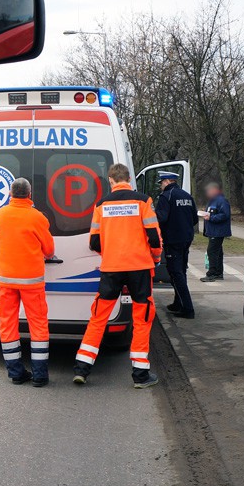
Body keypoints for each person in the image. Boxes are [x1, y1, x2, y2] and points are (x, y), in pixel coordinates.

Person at [74, 164, 162, 389]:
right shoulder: (143, 201)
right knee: (141, 319)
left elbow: (94, 242)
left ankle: (82, 370)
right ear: (129, 179)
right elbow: (154, 238)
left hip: (111, 268)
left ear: (110, 180)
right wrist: (155, 258)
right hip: (139, 268)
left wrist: (111, 253)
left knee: (98, 317)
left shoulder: (101, 205)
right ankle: (141, 376)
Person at [0, 178, 55, 387]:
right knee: (38, 326)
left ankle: (16, 373)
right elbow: (49, 251)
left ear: (10, 194)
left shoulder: (0, 215)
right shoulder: (38, 218)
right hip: (31, 282)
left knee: (7, 325)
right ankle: (40, 375)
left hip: (4, 280)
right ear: (29, 195)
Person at [155, 172, 198, 318]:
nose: (160, 186)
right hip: (186, 238)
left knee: (175, 273)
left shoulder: (166, 196)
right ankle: (178, 303)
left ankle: (187, 308)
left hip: (172, 239)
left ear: (167, 181)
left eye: (161, 183)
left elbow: (161, 217)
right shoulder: (187, 196)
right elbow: (194, 218)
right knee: (181, 270)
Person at [200, 182, 231, 282]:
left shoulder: (221, 200)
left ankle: (212, 273)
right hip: (213, 230)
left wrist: (211, 217)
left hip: (218, 231)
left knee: (212, 251)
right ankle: (218, 273)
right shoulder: (212, 201)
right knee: (217, 252)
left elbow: (225, 215)